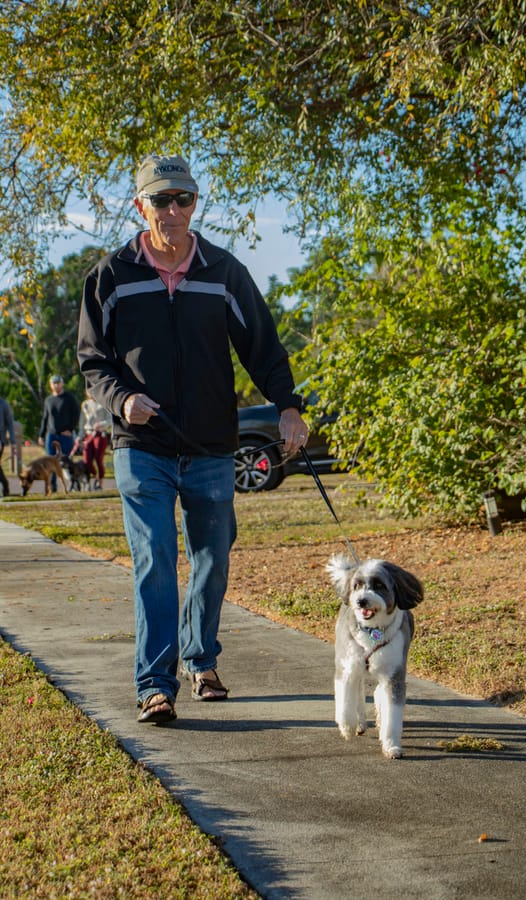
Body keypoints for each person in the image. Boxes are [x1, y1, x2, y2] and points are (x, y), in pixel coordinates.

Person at [78, 153, 309, 724]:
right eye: (161, 200)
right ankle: (155, 684)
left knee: (212, 559)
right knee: (155, 560)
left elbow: (263, 346)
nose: (174, 210)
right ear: (141, 206)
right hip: (142, 444)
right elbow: (91, 359)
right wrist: (122, 399)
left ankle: (199, 659)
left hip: (210, 445)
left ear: (194, 204)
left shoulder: (222, 272)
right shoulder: (112, 276)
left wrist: (288, 408)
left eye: (183, 199)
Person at [38, 375, 80, 490]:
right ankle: (52, 486)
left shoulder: (69, 398)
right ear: (50, 385)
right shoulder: (48, 400)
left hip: (65, 435)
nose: (56, 385)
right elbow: (45, 418)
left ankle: (73, 485)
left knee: (66, 461)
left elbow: (76, 415)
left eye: (58, 383)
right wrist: (41, 435)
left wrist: (70, 429)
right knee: (50, 461)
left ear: (62, 384)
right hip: (51, 435)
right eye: (54, 383)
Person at [75, 391, 111, 489]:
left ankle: (99, 483)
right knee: (87, 461)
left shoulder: (104, 403)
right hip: (88, 434)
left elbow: (110, 420)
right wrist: (79, 436)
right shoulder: (85, 404)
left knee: (99, 459)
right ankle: (95, 476)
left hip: (100, 434)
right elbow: (82, 423)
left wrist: (101, 424)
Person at [0, 394, 16, 497]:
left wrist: (13, 442)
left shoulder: (3, 404)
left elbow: (10, 423)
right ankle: (5, 485)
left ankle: (5, 486)